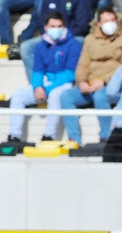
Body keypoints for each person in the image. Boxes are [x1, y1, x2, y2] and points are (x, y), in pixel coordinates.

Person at [59, 10, 122, 151]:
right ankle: (74, 139)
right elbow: (82, 63)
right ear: (99, 23)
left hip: (115, 85)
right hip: (90, 83)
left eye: (113, 20)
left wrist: (105, 81)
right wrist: (82, 81)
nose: (110, 24)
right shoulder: (90, 39)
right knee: (66, 96)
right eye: (106, 21)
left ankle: (106, 137)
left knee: (101, 95)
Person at [4, 12, 80, 146]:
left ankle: (48, 135)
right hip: (46, 82)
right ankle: (14, 135)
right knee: (18, 96)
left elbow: (70, 73)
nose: (56, 29)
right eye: (52, 26)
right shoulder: (40, 45)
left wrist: (47, 88)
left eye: (59, 26)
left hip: (65, 83)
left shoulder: (73, 44)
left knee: (56, 95)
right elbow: (37, 70)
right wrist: (38, 86)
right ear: (45, 27)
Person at [21, 0, 90, 81]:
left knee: (79, 43)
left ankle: (69, 81)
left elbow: (82, 24)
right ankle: (37, 87)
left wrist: (64, 36)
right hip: (51, 36)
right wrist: (50, 36)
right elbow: (43, 21)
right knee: (26, 47)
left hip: (73, 37)